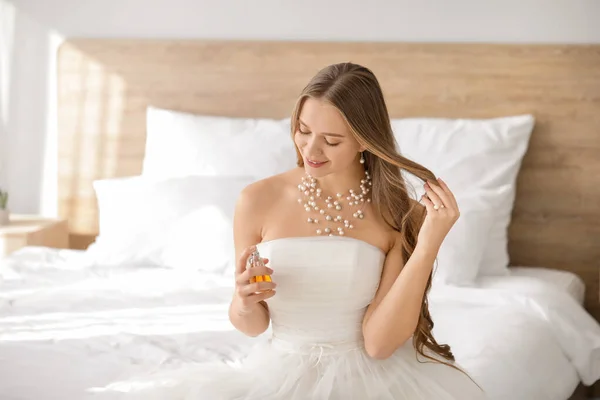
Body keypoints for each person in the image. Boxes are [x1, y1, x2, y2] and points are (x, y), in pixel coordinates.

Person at [94, 62, 487, 399]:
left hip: (370, 381)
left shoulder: (397, 214)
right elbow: (251, 324)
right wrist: (245, 301)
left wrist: (429, 244)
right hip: (276, 374)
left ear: (366, 140)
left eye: (331, 140)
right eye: (303, 130)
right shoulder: (257, 199)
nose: (310, 151)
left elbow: (379, 344)